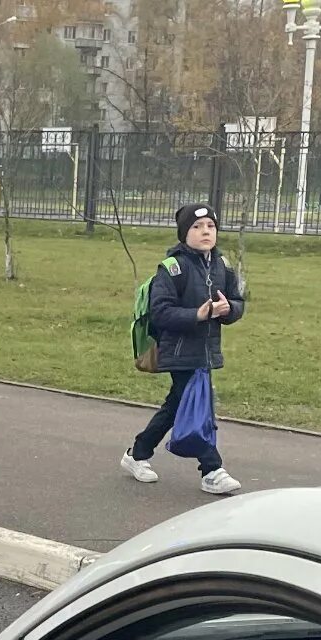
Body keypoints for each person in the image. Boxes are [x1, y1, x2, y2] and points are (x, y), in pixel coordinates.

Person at [121, 203, 245, 496]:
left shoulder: (222, 265)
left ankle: (136, 454)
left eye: (211, 227)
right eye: (197, 227)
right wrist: (197, 315)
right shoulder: (172, 268)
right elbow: (161, 312)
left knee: (177, 406)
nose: (205, 232)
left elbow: (238, 302)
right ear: (184, 233)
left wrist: (229, 310)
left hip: (205, 352)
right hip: (178, 351)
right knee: (199, 405)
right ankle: (211, 469)